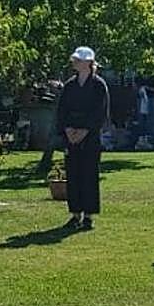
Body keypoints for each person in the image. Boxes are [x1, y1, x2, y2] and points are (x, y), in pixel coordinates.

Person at [56, 46, 110, 230]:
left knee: (89, 175)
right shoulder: (69, 85)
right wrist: (68, 130)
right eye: (75, 60)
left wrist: (85, 130)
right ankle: (75, 213)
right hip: (71, 136)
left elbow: (100, 112)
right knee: (73, 175)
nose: (75, 63)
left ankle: (88, 215)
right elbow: (62, 110)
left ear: (88, 62)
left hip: (90, 137)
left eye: (79, 60)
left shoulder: (98, 85)